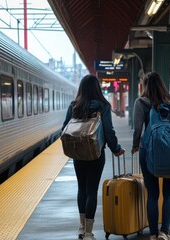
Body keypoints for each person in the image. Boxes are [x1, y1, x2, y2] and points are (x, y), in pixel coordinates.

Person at [62, 74, 125, 240]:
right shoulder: (103, 106)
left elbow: (65, 128)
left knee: (81, 189)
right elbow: (109, 131)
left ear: (81, 88)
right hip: (96, 154)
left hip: (77, 154)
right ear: (97, 88)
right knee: (92, 191)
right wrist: (116, 148)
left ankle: (81, 228)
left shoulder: (74, 106)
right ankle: (89, 232)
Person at [131, 72, 170, 240]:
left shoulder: (141, 102)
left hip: (148, 150)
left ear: (145, 85)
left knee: (153, 194)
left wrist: (135, 145)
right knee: (169, 193)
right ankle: (164, 232)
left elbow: (138, 128)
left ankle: (153, 233)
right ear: (162, 84)